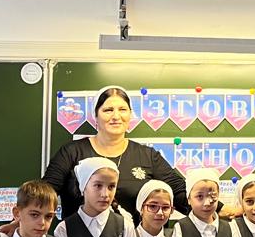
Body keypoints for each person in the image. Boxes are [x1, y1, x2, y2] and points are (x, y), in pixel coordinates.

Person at [43, 86, 187, 222]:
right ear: (95, 115)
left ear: (130, 114)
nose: (116, 116)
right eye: (108, 110)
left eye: (122, 109)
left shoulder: (147, 156)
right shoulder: (71, 152)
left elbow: (181, 194)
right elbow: (45, 194)